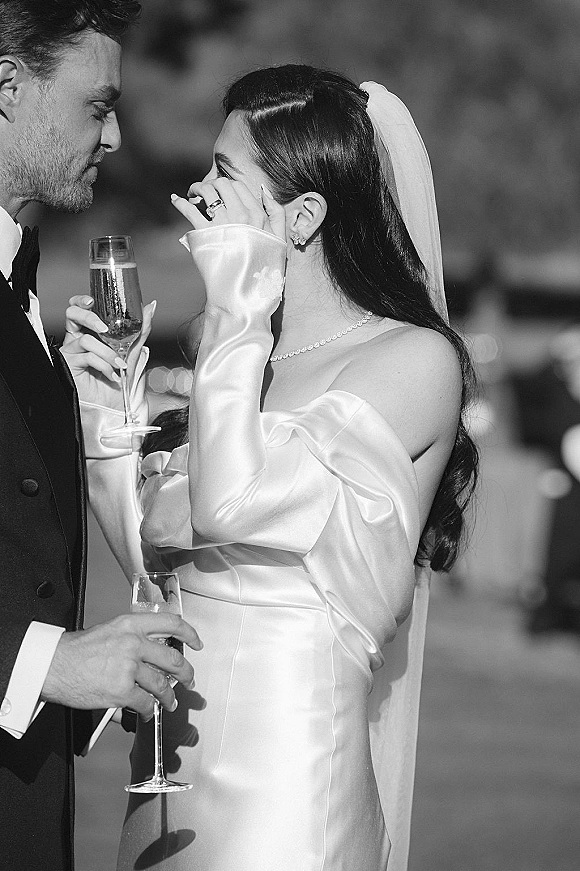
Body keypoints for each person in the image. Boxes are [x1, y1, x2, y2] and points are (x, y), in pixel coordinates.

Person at [65, 65, 478, 871]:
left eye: (225, 172)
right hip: (164, 774)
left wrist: (235, 299)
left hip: (286, 795)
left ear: (303, 215)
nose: (200, 190)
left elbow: (231, 503)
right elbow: (155, 562)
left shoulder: (411, 360)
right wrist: (106, 419)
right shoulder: (237, 357)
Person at [0, 4, 202, 870]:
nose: (117, 134)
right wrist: (47, 662)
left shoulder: (25, 278)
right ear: (8, 88)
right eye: (96, 105)